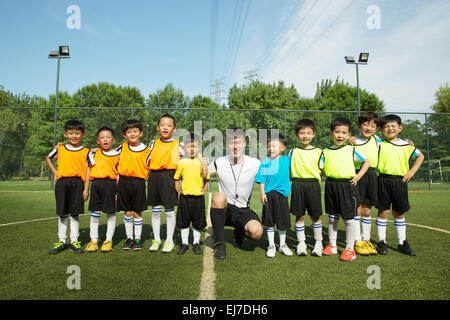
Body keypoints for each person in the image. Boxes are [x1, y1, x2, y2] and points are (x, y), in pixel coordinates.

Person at [319, 117, 371, 262]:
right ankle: (332, 245)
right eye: (337, 132)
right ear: (331, 133)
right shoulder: (325, 151)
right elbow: (320, 169)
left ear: (349, 135)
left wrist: (358, 176)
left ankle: (350, 248)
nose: (340, 135)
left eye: (344, 133)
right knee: (332, 218)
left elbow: (367, 161)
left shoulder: (352, 149)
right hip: (331, 185)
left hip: (347, 186)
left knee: (349, 219)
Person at [208, 128, 263, 260]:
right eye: (231, 143)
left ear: (244, 144)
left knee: (256, 232)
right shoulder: (219, 162)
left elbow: (268, 179)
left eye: (238, 142)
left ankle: (239, 233)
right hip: (225, 208)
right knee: (218, 197)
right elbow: (202, 173)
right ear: (227, 144)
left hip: (243, 210)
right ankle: (220, 244)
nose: (235, 146)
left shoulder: (255, 163)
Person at [376, 114, 424, 256]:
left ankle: (402, 242)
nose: (390, 129)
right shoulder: (379, 143)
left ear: (400, 128)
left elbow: (420, 156)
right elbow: (365, 140)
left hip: (400, 181)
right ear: (382, 130)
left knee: (399, 212)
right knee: (383, 212)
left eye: (393, 126)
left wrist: (412, 171)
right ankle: (381, 242)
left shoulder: (407, 145)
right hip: (383, 180)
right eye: (386, 127)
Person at [46, 120, 93, 254]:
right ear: (65, 134)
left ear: (82, 134)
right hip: (62, 183)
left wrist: (86, 188)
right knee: (62, 213)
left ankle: (74, 241)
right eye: (71, 133)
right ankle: (62, 241)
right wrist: (55, 172)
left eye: (77, 133)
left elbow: (89, 170)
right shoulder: (60, 148)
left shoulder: (86, 151)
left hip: (78, 184)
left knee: (74, 213)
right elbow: (48, 158)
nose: (74, 136)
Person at [147, 114, 184, 254]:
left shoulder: (178, 144)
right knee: (155, 210)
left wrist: (178, 180)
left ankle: (169, 240)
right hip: (154, 177)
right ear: (158, 127)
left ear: (174, 129)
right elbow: (142, 157)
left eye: (169, 125)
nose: (165, 127)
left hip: (170, 177)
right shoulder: (153, 143)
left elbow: (187, 160)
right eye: (162, 124)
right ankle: (156, 239)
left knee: (169, 210)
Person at [349, 112, 382, 256]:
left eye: (373, 126)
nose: (369, 128)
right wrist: (348, 139)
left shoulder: (377, 140)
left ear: (376, 129)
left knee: (367, 210)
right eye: (366, 125)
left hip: (371, 176)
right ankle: (357, 241)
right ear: (359, 126)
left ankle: (366, 239)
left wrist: (408, 143)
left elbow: (392, 143)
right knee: (357, 208)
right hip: (356, 175)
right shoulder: (352, 142)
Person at [289, 119, 324, 257]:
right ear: (296, 134)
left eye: (308, 133)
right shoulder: (292, 151)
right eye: (302, 133)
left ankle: (318, 243)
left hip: (313, 185)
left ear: (314, 134)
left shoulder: (319, 152)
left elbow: (322, 169)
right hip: (297, 185)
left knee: (315, 216)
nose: (305, 136)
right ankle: (301, 243)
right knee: (300, 215)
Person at [255, 134, 292, 258]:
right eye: (269, 146)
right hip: (269, 195)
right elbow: (262, 179)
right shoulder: (266, 162)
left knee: (282, 221)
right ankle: (271, 245)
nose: (271, 148)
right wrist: (262, 192)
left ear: (282, 148)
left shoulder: (287, 160)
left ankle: (282, 245)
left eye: (274, 146)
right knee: (269, 221)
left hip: (282, 196)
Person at [117, 119, 151, 251]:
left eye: (135, 131)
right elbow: (110, 156)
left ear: (141, 133)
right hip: (124, 182)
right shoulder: (122, 147)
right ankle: (128, 238)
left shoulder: (147, 150)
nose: (132, 134)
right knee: (127, 211)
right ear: (125, 135)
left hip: (139, 183)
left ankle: (137, 238)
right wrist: (99, 149)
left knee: (137, 211)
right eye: (128, 132)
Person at [85, 127, 120, 253]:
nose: (105, 139)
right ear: (98, 141)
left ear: (113, 140)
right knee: (95, 213)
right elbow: (88, 171)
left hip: (110, 185)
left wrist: (118, 191)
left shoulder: (118, 155)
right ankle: (93, 240)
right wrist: (86, 189)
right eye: (102, 137)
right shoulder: (93, 153)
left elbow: (118, 175)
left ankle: (108, 240)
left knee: (110, 212)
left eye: (108, 137)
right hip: (96, 185)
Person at [174, 133, 209, 255]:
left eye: (195, 146)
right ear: (184, 148)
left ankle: (196, 243)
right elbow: (177, 176)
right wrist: (177, 184)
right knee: (184, 222)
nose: (192, 149)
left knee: (197, 222)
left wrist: (206, 185)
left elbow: (206, 176)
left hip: (198, 197)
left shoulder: (201, 163)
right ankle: (184, 243)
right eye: (189, 146)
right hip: (185, 197)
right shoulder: (182, 162)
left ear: (199, 148)